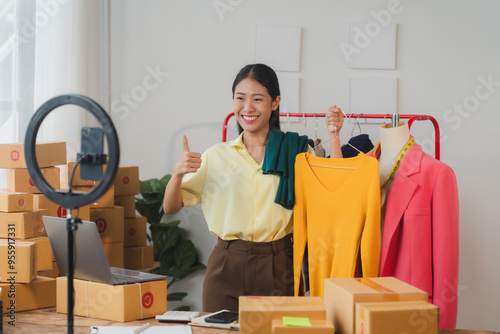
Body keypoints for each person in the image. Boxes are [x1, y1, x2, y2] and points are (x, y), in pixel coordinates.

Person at [163, 63, 344, 312]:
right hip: (226, 264)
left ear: (275, 102)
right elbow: (171, 207)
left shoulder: (297, 151)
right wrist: (177, 174)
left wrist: (333, 135)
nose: (248, 108)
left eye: (258, 99)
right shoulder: (216, 156)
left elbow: (335, 190)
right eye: (240, 98)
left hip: (279, 264)